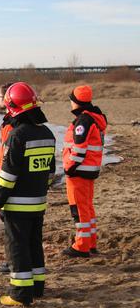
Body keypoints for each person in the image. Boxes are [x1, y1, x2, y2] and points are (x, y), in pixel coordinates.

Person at [0, 82, 55, 306]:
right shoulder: (47, 133)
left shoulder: (17, 136)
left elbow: (8, 175)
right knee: (34, 244)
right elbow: (50, 171)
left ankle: (20, 294)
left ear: (12, 106)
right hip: (38, 202)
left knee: (17, 247)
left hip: (17, 204)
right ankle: (38, 287)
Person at [62, 85, 108, 258]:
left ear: (76, 102)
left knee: (79, 210)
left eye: (71, 100)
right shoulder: (94, 118)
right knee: (87, 207)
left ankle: (81, 246)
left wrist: (69, 168)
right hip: (89, 170)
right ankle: (90, 243)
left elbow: (79, 150)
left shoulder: (84, 120)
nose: (70, 103)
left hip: (78, 172)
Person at [0, 82, 15, 275]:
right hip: (6, 176)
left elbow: (9, 154)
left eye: (0, 97)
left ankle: (11, 261)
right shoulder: (8, 122)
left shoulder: (11, 124)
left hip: (7, 178)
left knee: (11, 226)